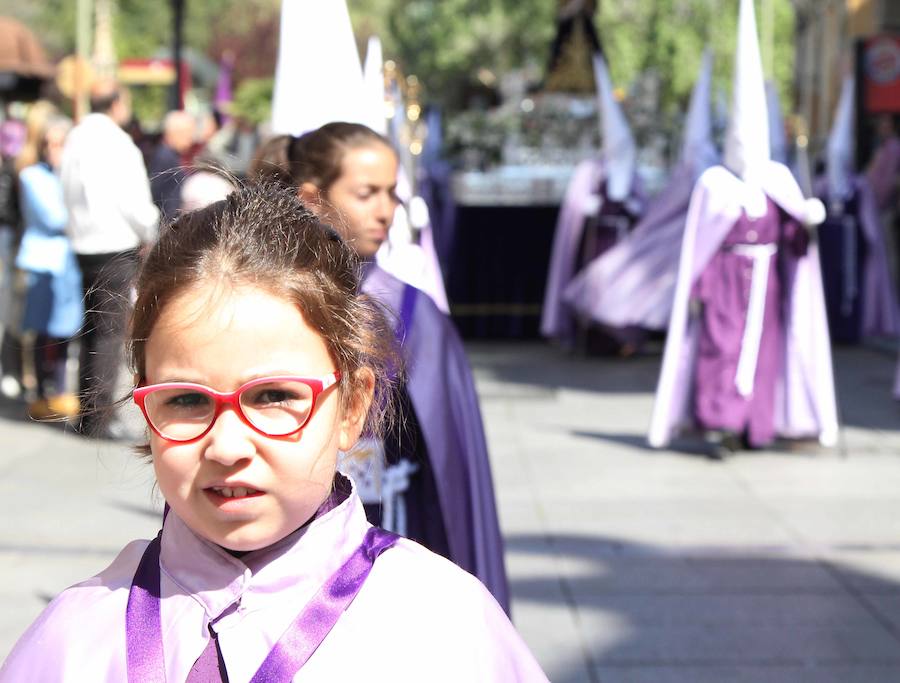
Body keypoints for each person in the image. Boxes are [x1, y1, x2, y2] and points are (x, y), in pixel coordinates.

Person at [0, 184, 547, 682]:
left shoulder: (443, 631)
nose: (229, 446)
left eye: (275, 396)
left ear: (352, 405)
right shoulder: (76, 641)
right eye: (186, 400)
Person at [251, 123, 510, 613]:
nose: (386, 210)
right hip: (278, 532)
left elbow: (451, 455)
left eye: (392, 192)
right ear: (313, 197)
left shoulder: (410, 311)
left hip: (385, 527)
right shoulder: (268, 300)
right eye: (366, 193)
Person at [648, 0, 837, 456]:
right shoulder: (715, 186)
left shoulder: (778, 182)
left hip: (766, 282)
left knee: (762, 353)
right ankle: (719, 424)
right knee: (722, 350)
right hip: (727, 284)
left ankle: (756, 426)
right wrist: (700, 286)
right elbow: (703, 244)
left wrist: (807, 220)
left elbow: (794, 239)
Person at [60, 81, 159, 437]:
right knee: (108, 332)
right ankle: (97, 416)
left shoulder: (75, 139)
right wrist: (150, 230)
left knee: (92, 328)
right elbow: (134, 201)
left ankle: (89, 411)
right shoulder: (118, 143)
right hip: (114, 244)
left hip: (84, 244)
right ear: (117, 104)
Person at [14, 112, 82, 420]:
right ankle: (41, 391)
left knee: (66, 330)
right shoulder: (32, 177)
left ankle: (60, 389)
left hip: (69, 260)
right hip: (43, 262)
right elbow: (55, 217)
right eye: (51, 144)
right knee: (43, 331)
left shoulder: (73, 174)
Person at [149, 109, 195, 223]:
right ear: (174, 132)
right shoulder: (165, 157)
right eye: (187, 133)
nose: (191, 139)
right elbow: (156, 192)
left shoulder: (171, 156)